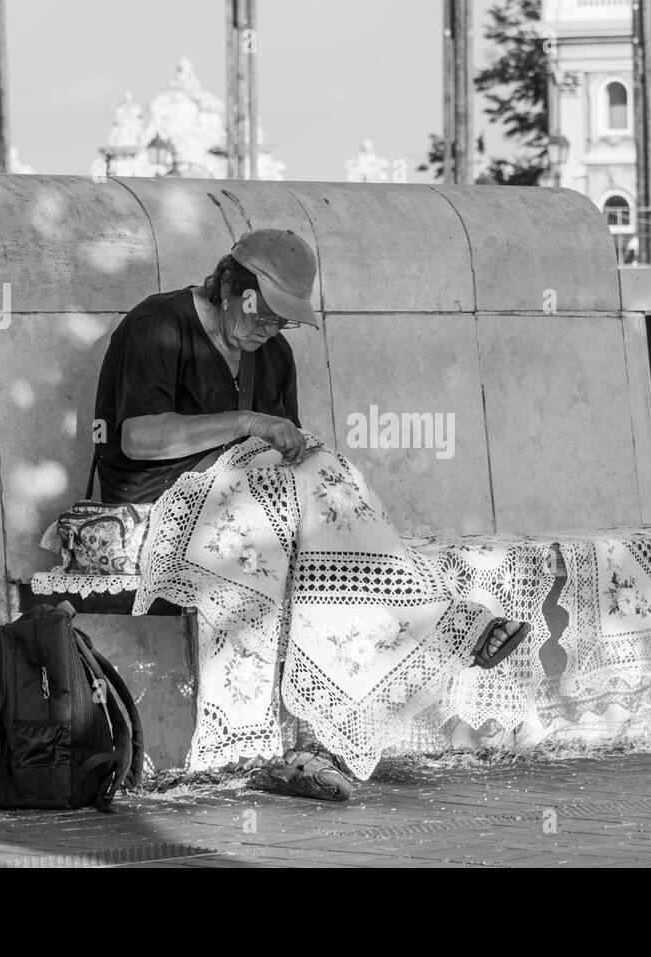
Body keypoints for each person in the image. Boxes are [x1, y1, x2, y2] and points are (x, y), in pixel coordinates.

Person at [93, 229, 528, 802]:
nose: (267, 331)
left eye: (279, 322)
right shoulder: (160, 324)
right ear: (229, 288)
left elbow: (283, 453)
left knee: (330, 493)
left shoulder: (272, 354)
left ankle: (330, 724)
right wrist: (247, 422)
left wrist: (291, 447)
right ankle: (429, 625)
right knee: (298, 520)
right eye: (260, 316)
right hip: (162, 498)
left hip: (249, 498)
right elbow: (139, 438)